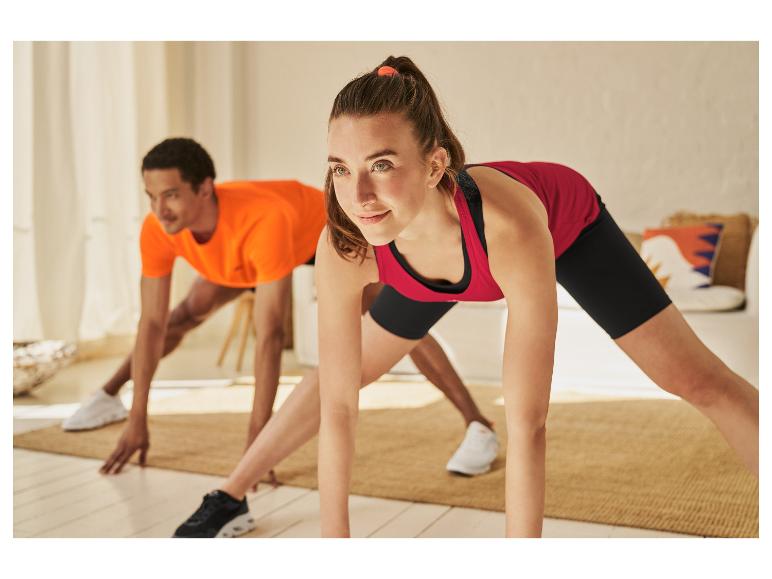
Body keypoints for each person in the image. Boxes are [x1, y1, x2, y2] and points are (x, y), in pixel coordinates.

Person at [306, 56, 758, 538]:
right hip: (455, 241)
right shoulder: (344, 244)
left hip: (570, 225)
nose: (359, 195)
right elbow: (337, 406)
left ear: (435, 165)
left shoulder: (508, 227)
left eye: (381, 165)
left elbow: (527, 423)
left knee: (695, 380)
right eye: (341, 169)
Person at [63, 137, 498, 479]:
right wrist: (138, 418)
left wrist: (259, 439)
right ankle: (109, 396)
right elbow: (152, 323)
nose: (160, 209)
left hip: (325, 232)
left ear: (204, 188)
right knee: (181, 317)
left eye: (172, 195)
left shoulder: (265, 220)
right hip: (243, 248)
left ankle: (477, 424)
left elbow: (270, 334)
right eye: (152, 196)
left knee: (395, 323)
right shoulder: (159, 227)